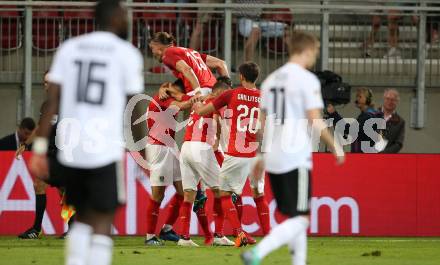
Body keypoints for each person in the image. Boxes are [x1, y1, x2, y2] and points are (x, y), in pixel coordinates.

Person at [29, 1, 146, 265]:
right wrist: (143, 150)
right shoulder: (126, 53)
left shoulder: (69, 49)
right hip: (104, 149)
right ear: (115, 17)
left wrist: (38, 149)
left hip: (72, 150)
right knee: (103, 218)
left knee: (80, 216)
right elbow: (134, 107)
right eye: (125, 14)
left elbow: (52, 103)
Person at [241, 31, 345, 265]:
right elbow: (315, 120)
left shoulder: (270, 80)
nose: (314, 57)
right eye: (315, 52)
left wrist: (259, 157)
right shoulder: (306, 79)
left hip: (273, 157)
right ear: (307, 51)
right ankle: (258, 252)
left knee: (294, 216)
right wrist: (335, 145)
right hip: (295, 156)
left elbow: (261, 125)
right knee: (302, 219)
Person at [194, 62, 270, 247]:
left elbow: (202, 111)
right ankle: (269, 235)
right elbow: (263, 128)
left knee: (224, 193)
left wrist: (197, 103)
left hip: (236, 153)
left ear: (242, 77)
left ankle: (238, 233)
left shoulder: (231, 94)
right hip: (256, 154)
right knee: (259, 194)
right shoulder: (263, 98)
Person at [144, 79, 194, 246]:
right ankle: (150, 236)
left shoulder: (167, 92)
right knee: (158, 194)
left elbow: (183, 100)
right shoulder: (163, 96)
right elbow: (183, 105)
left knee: (183, 192)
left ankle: (166, 230)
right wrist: (196, 98)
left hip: (170, 147)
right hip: (158, 148)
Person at [149, 31, 229, 98]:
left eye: (152, 48)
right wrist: (228, 89)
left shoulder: (167, 54)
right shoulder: (190, 52)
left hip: (200, 91)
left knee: (166, 101)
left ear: (158, 45)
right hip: (213, 91)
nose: (152, 52)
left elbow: (187, 69)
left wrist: (198, 92)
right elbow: (221, 63)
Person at [327, 87, 383, 153]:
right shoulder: (370, 115)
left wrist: (334, 114)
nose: (357, 99)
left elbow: (351, 130)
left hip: (364, 156)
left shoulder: (368, 116)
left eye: (360, 97)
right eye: (357, 97)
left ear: (367, 100)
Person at [379, 88, 405, 153]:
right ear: (384, 99)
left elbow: (398, 143)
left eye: (393, 100)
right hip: (368, 156)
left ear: (397, 102)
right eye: (387, 99)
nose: (390, 102)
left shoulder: (400, 122)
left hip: (388, 158)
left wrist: (383, 154)